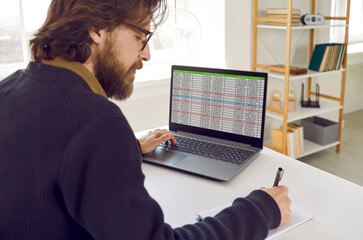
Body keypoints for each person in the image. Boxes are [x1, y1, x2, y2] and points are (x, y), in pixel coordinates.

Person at [0, 0, 291, 239]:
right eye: (140, 37)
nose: (147, 54)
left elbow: (44, 162)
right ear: (97, 30)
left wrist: (126, 149)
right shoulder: (97, 122)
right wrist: (261, 209)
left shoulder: (10, 88)